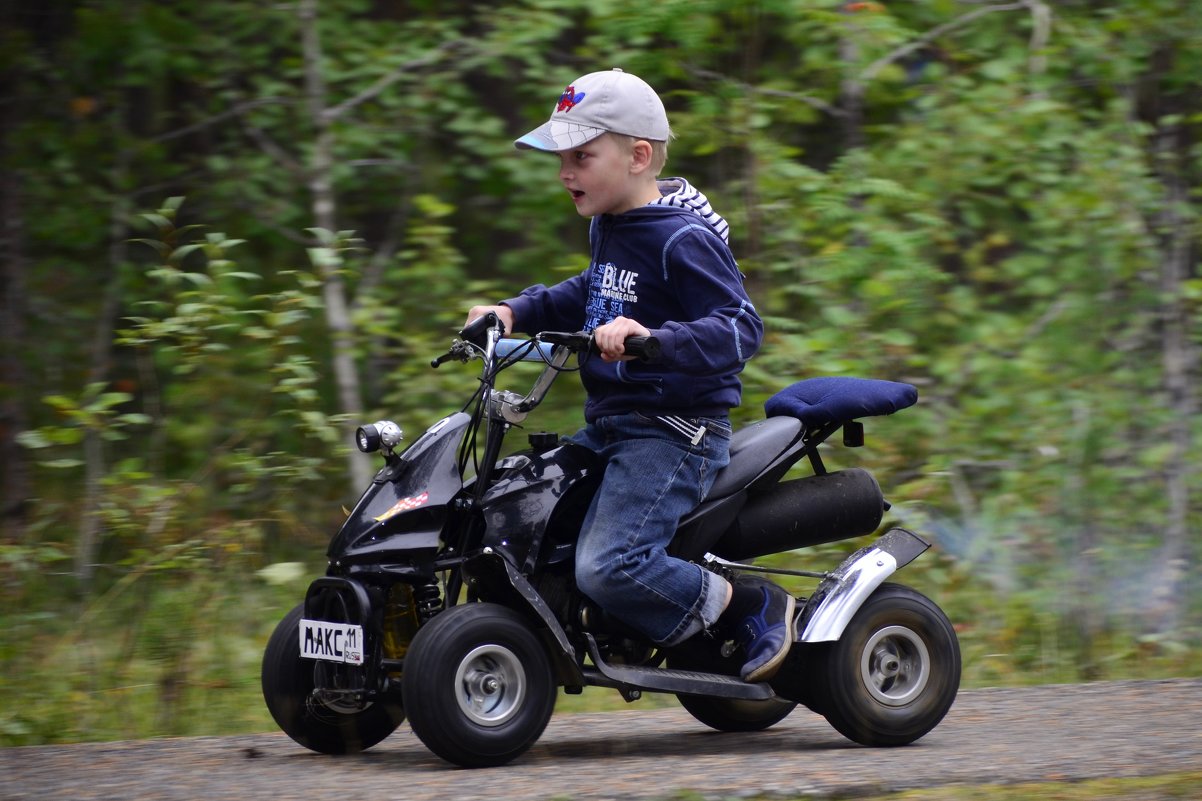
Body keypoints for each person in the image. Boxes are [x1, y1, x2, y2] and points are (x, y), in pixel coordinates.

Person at [465, 68, 794, 682]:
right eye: (561, 157)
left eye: (582, 156)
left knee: (609, 564)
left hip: (673, 430)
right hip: (615, 423)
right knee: (519, 515)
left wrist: (655, 342)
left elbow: (741, 327)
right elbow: (590, 290)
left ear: (638, 156)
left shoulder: (682, 238)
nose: (565, 172)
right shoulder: (612, 225)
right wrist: (512, 312)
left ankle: (747, 604)